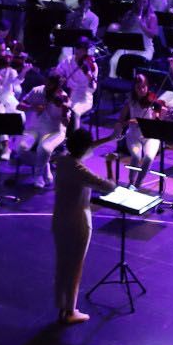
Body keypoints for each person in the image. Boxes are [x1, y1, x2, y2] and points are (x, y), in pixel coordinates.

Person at [48, 135, 117, 323]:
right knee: (75, 267)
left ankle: (62, 306)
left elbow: (81, 148)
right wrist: (110, 165)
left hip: (59, 217)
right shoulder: (79, 170)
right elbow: (109, 186)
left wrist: (108, 138)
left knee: (62, 265)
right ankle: (70, 311)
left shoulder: (62, 160)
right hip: (77, 221)